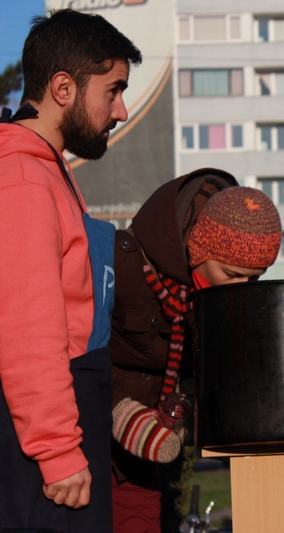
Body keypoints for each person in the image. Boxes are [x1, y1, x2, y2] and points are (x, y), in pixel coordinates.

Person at [0, 9, 141, 532]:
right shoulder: (22, 179)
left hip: (71, 417)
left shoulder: (48, 170)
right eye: (113, 90)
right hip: (41, 455)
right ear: (63, 88)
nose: (122, 110)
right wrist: (57, 450)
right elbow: (27, 331)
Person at [110, 174, 282, 532]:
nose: (241, 289)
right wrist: (118, 410)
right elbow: (73, 352)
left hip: (145, 456)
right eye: (231, 274)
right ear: (197, 249)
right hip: (88, 435)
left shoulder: (209, 297)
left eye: (253, 279)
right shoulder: (120, 264)